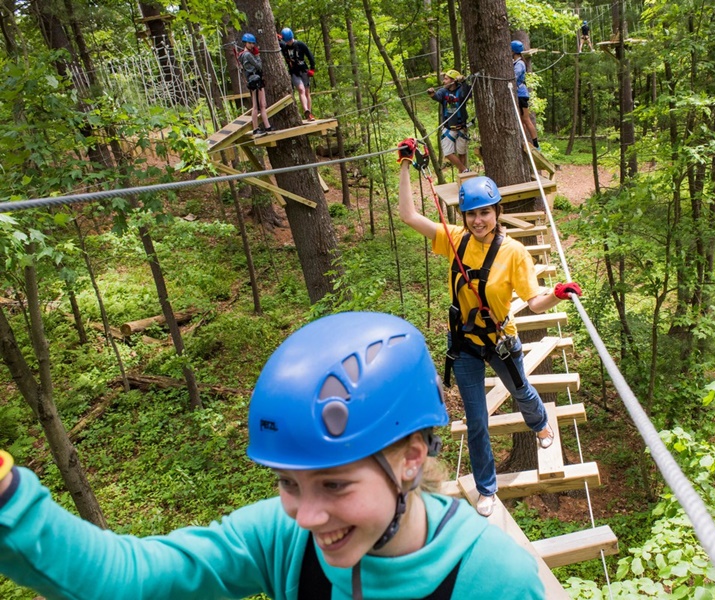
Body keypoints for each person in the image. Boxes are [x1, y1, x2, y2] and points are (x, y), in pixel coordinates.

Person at [0, 312, 545, 599]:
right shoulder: (285, 544)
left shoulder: (496, 581)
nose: (306, 517)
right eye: (288, 482)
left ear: (410, 458)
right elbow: (134, 578)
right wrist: (9, 501)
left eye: (333, 484)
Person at [396, 145, 582, 517]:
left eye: (485, 212)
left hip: (500, 342)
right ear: (463, 217)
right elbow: (408, 214)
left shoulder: (514, 253)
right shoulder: (454, 240)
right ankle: (486, 488)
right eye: (471, 214)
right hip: (464, 345)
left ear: (497, 213)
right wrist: (404, 166)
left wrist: (557, 296)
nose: (478, 220)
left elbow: (533, 302)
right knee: (477, 420)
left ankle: (541, 424)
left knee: (521, 390)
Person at [427, 69, 472, 173]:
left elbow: (468, 93)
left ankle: (463, 177)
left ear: (453, 81)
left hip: (461, 127)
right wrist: (432, 94)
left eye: (446, 79)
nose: (444, 81)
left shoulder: (461, 90)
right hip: (448, 128)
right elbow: (437, 96)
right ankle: (465, 170)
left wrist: (463, 81)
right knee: (448, 153)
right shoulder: (443, 91)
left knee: (462, 153)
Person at [239, 33, 274, 135]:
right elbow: (259, 66)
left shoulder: (242, 55)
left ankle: (267, 126)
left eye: (253, 43)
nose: (252, 45)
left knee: (262, 104)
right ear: (245, 43)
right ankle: (256, 128)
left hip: (254, 79)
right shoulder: (247, 55)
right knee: (256, 105)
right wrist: (257, 56)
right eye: (250, 43)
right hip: (255, 80)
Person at [279, 27, 316, 122]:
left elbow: (309, 55)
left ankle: (309, 114)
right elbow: (276, 41)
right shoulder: (284, 46)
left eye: (290, 40)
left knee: (307, 92)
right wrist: (277, 37)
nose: (289, 42)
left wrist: (312, 68)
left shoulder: (300, 44)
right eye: (287, 41)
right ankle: (306, 110)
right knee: (301, 89)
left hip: (304, 71)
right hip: (294, 72)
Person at [511, 40, 539, 150]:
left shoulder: (520, 64)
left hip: (521, 94)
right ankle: (523, 140)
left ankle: (536, 144)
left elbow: (514, 76)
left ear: (513, 51)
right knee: (522, 120)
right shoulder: (516, 62)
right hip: (519, 94)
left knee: (526, 119)